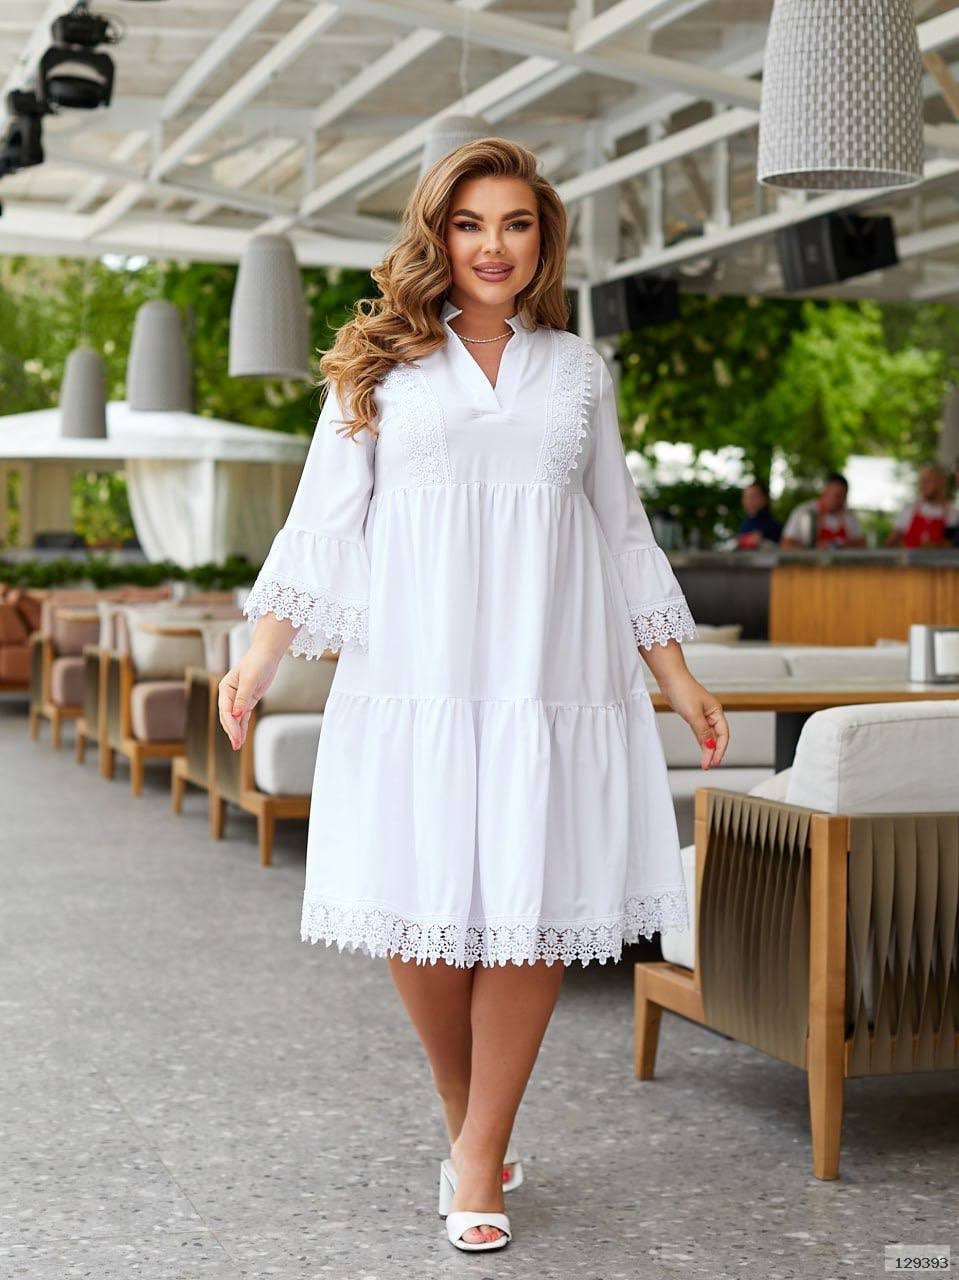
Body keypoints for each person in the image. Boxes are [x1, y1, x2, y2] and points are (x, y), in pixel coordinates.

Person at [217, 138, 729, 1255]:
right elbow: (321, 521)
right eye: (468, 224)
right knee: (423, 909)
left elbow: (619, 529)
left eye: (514, 224)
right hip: (418, 672)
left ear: (543, 239)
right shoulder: (376, 368)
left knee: (528, 912)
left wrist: (676, 674)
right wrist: (259, 657)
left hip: (549, 678)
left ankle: (480, 1149)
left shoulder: (578, 370)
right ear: (436, 236)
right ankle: (468, 1126)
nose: (493, 246)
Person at [780, 472, 866, 549]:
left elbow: (863, 544)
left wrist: (844, 547)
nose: (842, 500)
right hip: (810, 562)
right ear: (825, 491)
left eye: (844, 496)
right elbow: (785, 545)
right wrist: (813, 549)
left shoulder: (849, 516)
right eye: (838, 495)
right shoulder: (803, 512)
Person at [884, 463, 959, 548]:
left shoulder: (953, 513)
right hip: (909, 556)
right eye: (921, 481)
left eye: (928, 480)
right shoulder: (909, 509)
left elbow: (952, 546)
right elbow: (892, 541)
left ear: (942, 481)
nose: (922, 485)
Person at [735, 479, 782, 548]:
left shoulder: (774, 526)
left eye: (753, 496)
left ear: (765, 499)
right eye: (746, 497)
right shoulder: (744, 524)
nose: (749, 500)